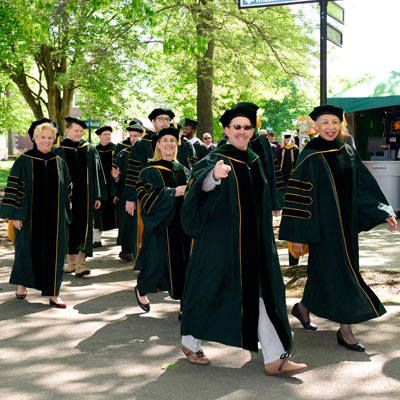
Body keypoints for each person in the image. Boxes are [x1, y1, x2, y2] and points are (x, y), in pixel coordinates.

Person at [179, 102, 307, 376]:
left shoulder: (254, 159)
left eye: (247, 127)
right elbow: (197, 186)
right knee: (207, 290)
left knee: (261, 293)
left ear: (253, 131)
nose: (242, 131)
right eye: (236, 127)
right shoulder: (216, 158)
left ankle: (275, 358)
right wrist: (213, 177)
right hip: (220, 242)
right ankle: (189, 342)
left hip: (254, 242)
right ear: (226, 130)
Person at [279, 104, 397, 351]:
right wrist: (298, 235)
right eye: (324, 123)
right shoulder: (310, 154)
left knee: (324, 273)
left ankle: (302, 308)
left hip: (345, 228)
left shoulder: (347, 151)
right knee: (343, 274)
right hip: (321, 230)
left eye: (334, 122)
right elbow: (298, 196)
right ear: (316, 126)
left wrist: (382, 211)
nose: (330, 127)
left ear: (341, 124)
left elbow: (363, 186)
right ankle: (345, 328)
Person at [0, 119, 71, 308]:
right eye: (43, 137)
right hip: (29, 216)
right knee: (25, 250)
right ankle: (22, 285)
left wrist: (65, 214)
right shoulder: (24, 161)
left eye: (50, 138)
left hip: (54, 218)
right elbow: (13, 187)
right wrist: (15, 214)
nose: (47, 141)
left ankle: (54, 293)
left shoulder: (59, 162)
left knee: (55, 253)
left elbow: (68, 191)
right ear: (35, 138)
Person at [134, 127, 190, 318]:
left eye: (172, 140)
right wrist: (172, 193)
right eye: (164, 140)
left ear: (177, 144)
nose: (169, 144)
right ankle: (141, 289)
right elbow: (146, 198)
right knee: (156, 264)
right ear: (158, 144)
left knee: (185, 263)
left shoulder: (183, 169)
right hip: (161, 226)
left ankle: (185, 304)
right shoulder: (148, 171)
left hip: (182, 226)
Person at [54, 117, 106, 277]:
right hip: (65, 198)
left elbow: (97, 174)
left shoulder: (89, 149)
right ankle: (71, 262)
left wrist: (98, 195)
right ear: (67, 130)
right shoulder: (58, 150)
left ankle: (81, 263)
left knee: (84, 228)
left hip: (85, 197)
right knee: (68, 228)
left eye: (81, 131)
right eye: (76, 130)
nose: (79, 133)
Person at [112, 123, 145, 263]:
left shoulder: (147, 153)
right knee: (127, 223)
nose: (133, 139)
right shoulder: (123, 153)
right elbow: (116, 176)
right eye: (131, 136)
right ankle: (126, 250)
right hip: (127, 193)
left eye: (136, 136)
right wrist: (117, 177)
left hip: (143, 194)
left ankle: (140, 251)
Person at [93, 126, 118, 248]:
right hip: (100, 185)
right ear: (99, 136)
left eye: (109, 134)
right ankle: (97, 239)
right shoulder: (94, 150)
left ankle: (119, 239)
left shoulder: (116, 149)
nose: (108, 136)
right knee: (99, 213)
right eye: (105, 134)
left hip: (113, 184)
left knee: (115, 212)